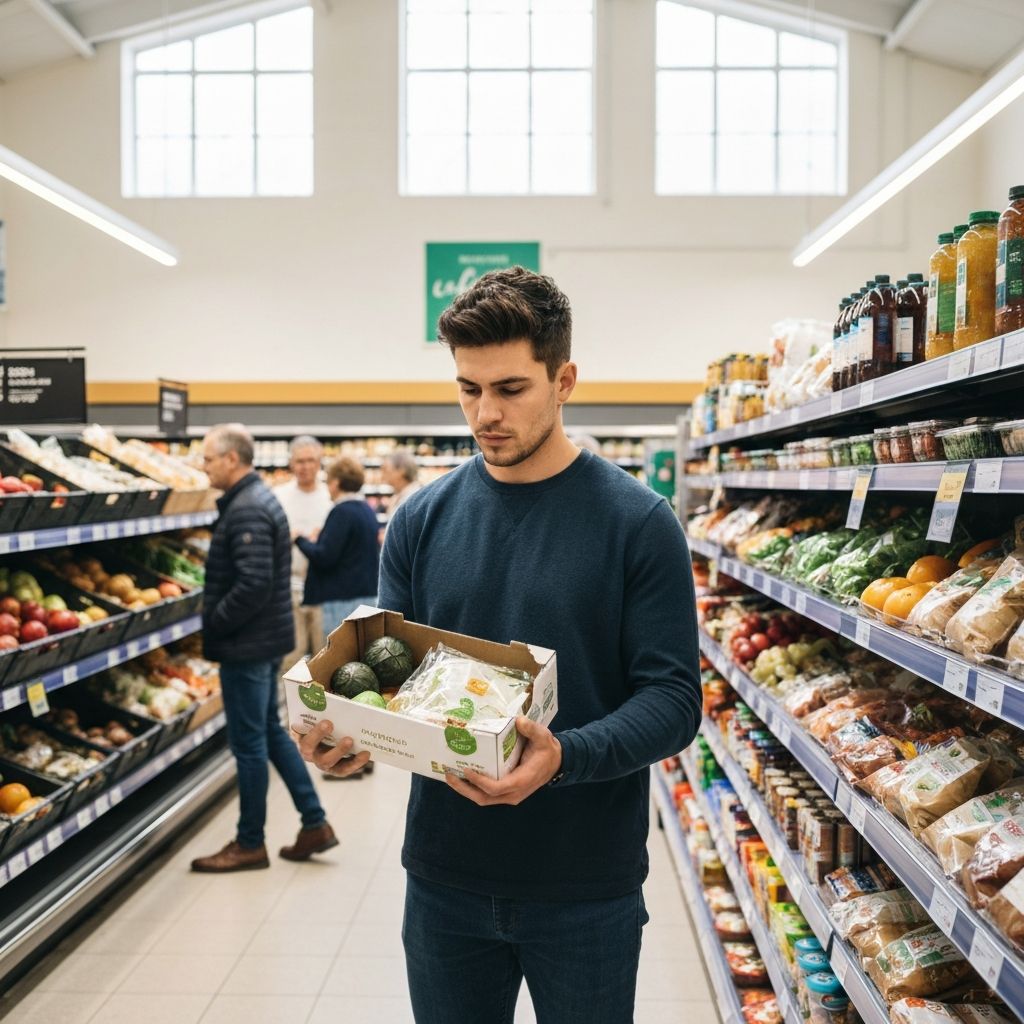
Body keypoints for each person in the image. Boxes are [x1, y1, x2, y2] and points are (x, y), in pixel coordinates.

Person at [295, 268, 701, 1023]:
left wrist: (563, 757)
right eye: (468, 389)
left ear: (565, 379)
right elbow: (398, 683)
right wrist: (351, 736)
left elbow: (674, 702)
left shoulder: (639, 524)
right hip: (446, 878)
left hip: (586, 886)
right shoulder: (420, 519)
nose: (485, 412)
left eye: (510, 389)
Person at [193, 423, 337, 872]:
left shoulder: (248, 508)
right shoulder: (255, 500)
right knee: (270, 733)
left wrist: (214, 623)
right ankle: (315, 822)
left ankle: (249, 841)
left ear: (232, 459)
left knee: (249, 743)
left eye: (209, 458)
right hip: (262, 639)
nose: (205, 466)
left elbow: (252, 584)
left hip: (247, 644)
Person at [294, 455, 380, 637]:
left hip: (340, 601)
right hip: (365, 597)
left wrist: (299, 540)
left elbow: (325, 557)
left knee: (335, 660)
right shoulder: (366, 510)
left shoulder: (341, 512)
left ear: (336, 483)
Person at [274, 436, 333, 669]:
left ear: (319, 462)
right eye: (300, 461)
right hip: (288, 586)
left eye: (310, 460)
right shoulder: (279, 496)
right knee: (291, 656)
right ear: (291, 463)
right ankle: (288, 705)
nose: (305, 467)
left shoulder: (330, 497)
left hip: (323, 589)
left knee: (325, 656)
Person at [380, 449, 421, 535]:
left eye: (386, 469)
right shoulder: (396, 497)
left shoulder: (415, 498)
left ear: (401, 470)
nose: (382, 475)